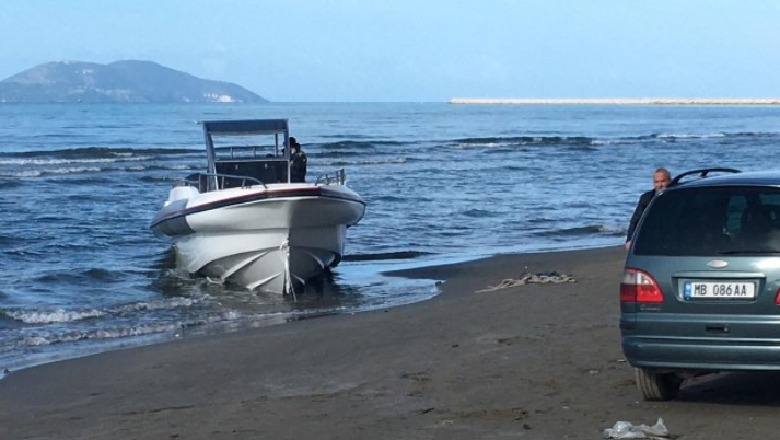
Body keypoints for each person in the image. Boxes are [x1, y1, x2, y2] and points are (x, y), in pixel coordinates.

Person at [625, 168, 671, 249]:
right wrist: (629, 239)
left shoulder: (677, 196)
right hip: (653, 234)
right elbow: (635, 220)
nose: (660, 185)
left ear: (670, 181)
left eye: (663, 181)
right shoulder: (646, 198)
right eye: (657, 182)